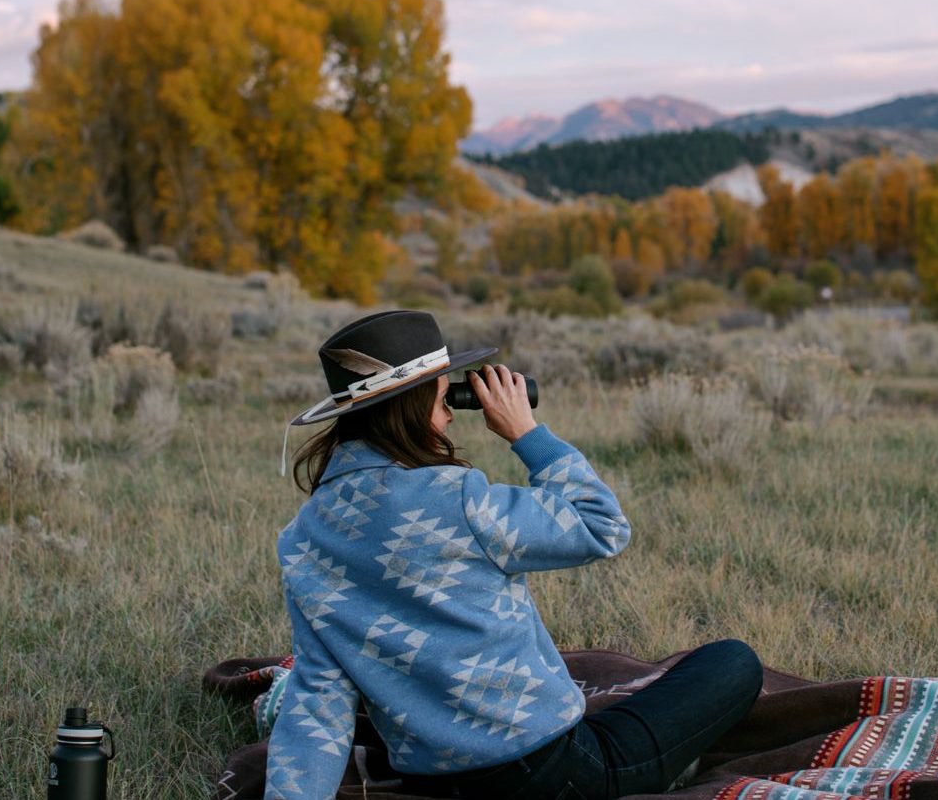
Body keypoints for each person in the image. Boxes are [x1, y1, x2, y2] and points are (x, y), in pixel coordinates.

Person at [266, 309, 763, 800]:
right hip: (550, 771)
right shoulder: (459, 498)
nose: (448, 416)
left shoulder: (302, 540)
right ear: (414, 408)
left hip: (431, 779)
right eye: (444, 400)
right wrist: (526, 433)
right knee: (733, 663)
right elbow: (603, 525)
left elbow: (318, 697)